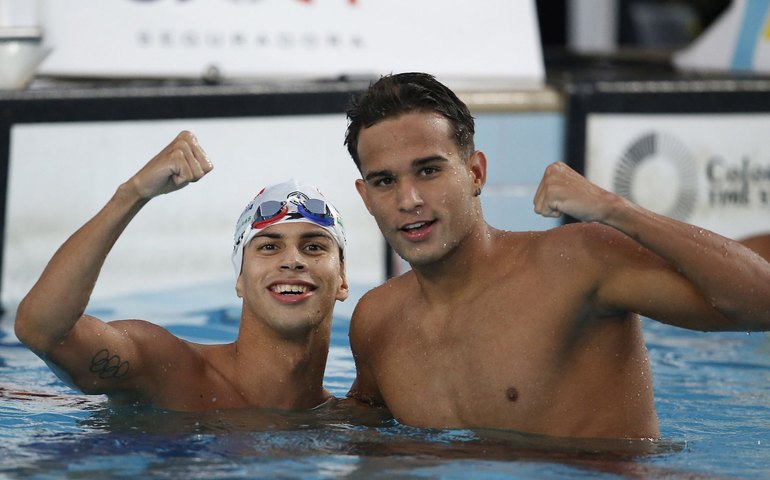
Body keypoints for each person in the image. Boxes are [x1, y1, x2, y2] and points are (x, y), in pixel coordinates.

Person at [342, 72, 770, 440]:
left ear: (475, 173)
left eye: (429, 170)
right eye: (384, 181)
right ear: (365, 197)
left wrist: (617, 210)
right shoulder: (378, 321)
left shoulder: (575, 263)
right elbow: (356, 432)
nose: (409, 200)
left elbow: (762, 303)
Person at [14, 131, 349, 411]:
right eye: (269, 247)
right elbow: (42, 332)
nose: (292, 260)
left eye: (314, 247)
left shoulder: (350, 418)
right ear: (240, 280)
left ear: (343, 281)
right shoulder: (167, 371)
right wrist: (132, 194)